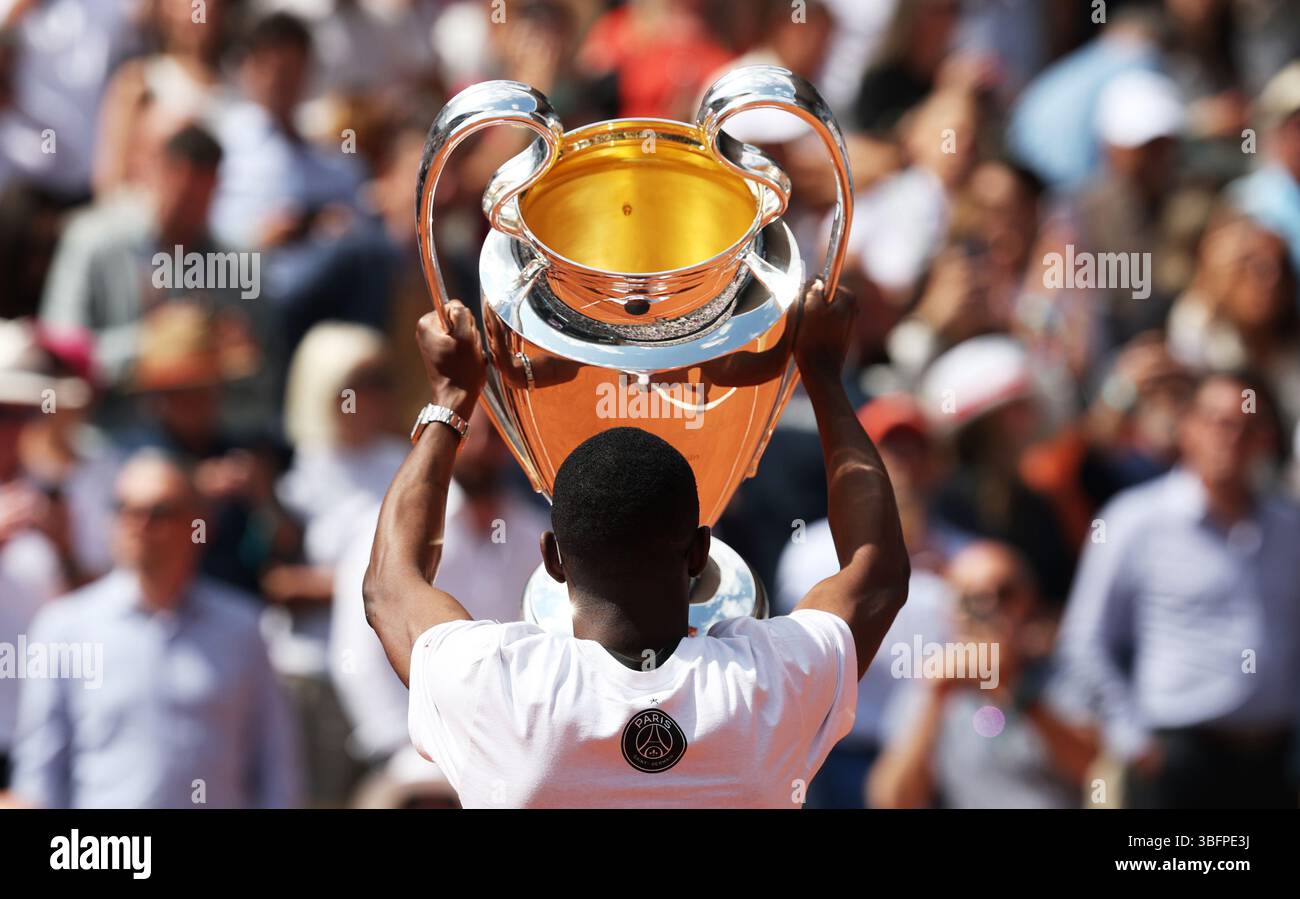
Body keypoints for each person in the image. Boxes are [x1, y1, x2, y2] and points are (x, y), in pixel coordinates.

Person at [363, 282, 910, 808]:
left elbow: (391, 587)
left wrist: (452, 399)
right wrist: (824, 377)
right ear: (700, 553)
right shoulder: (769, 684)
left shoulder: (495, 685)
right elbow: (876, 572)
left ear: (552, 558)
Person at [1057, 371, 1300, 808]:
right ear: (1187, 428)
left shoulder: (1288, 528)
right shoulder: (1135, 521)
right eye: (1219, 422)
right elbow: (1084, 639)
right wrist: (1132, 738)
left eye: (1249, 426)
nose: (1233, 439)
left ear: (1267, 438)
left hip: (1273, 763)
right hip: (1178, 759)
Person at [11, 451, 300, 808]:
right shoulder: (64, 628)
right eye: (125, 509)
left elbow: (275, 762)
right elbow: (41, 772)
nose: (140, 524)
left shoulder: (243, 628)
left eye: (159, 512)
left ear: (198, 525)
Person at [868, 542, 1097, 809]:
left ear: (1031, 600)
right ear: (950, 611)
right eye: (970, 599)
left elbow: (1098, 771)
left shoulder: (1065, 674)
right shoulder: (929, 688)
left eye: (1004, 594)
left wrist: (1015, 690)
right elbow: (892, 800)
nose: (988, 608)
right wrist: (935, 699)